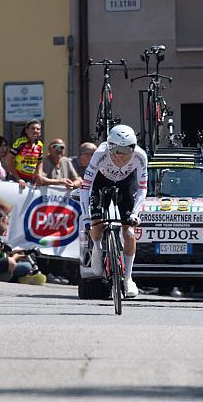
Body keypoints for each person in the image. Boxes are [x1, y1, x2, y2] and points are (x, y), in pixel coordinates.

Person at [79, 125, 148, 299]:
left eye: (127, 149)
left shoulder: (140, 156)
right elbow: (85, 187)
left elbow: (142, 189)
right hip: (101, 181)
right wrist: (86, 216)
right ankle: (97, 246)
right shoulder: (100, 154)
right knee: (96, 225)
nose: (121, 155)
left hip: (126, 183)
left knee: (129, 231)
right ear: (109, 147)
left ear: (134, 147)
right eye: (116, 149)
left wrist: (135, 213)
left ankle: (128, 278)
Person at [0, 210, 45, 285]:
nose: (6, 228)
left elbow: (1, 251)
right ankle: (19, 277)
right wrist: (15, 257)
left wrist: (22, 252)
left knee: (23, 261)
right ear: (1, 220)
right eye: (6, 224)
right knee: (26, 266)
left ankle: (22, 276)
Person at [6, 119, 43, 188]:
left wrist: (39, 175)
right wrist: (18, 179)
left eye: (38, 129)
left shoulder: (40, 145)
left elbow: (40, 162)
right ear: (26, 131)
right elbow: (9, 160)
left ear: (40, 132)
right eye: (33, 128)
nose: (35, 131)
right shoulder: (20, 142)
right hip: (16, 179)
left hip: (30, 179)